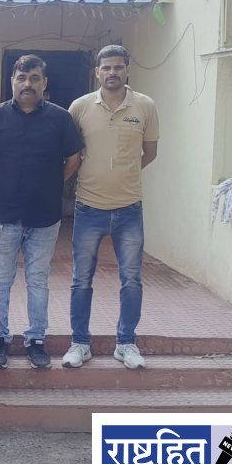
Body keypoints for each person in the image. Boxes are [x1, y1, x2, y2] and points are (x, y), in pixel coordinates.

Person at [0, 55, 83, 370]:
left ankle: (36, 340)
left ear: (44, 83)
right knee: (0, 278)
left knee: (38, 280)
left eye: (34, 78)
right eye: (21, 78)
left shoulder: (60, 119)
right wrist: (2, 184)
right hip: (3, 215)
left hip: (44, 217)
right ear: (12, 81)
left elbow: (74, 159)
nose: (27, 84)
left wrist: (51, 184)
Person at [64, 45, 159, 370]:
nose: (112, 73)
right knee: (81, 279)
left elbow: (150, 152)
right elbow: (71, 153)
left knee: (131, 280)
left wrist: (123, 175)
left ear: (127, 70)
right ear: (97, 72)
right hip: (88, 207)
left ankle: (126, 344)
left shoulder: (145, 106)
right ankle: (79, 344)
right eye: (106, 68)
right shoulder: (79, 107)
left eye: (118, 67)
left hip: (129, 208)